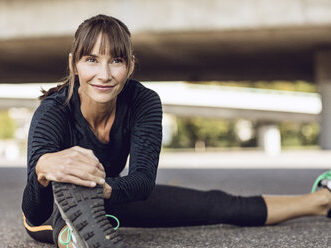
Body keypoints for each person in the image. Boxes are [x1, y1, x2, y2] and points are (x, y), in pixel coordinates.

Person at [21, 14, 331, 248]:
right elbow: (32, 211)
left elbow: (142, 181)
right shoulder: (53, 111)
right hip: (49, 211)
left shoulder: (143, 101)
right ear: (75, 64)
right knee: (66, 200)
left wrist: (105, 191)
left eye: (115, 61)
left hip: (113, 194)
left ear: (129, 66)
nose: (104, 74)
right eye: (92, 60)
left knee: (217, 203)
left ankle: (321, 200)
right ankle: (71, 234)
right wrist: (42, 167)